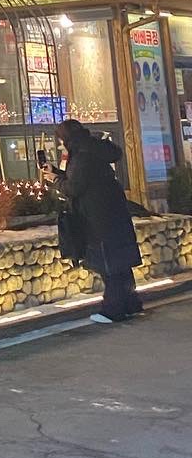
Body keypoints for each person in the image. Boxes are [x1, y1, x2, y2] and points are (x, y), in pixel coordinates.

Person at [45, 118, 143, 323]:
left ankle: (113, 310)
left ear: (67, 138)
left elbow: (74, 188)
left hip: (97, 217)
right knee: (120, 263)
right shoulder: (92, 149)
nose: (60, 145)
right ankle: (130, 304)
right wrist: (58, 173)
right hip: (114, 213)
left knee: (109, 264)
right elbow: (82, 178)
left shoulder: (81, 155)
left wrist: (55, 180)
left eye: (60, 140)